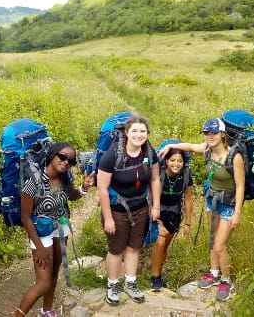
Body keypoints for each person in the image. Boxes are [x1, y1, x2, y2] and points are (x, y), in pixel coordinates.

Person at [159, 118, 245, 301]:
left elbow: (240, 186)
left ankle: (226, 280)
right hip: (212, 201)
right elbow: (189, 146)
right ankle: (214, 274)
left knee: (220, 245)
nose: (210, 136)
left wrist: (237, 212)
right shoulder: (207, 149)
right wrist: (170, 147)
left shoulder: (234, 156)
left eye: (213, 133)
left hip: (229, 205)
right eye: (206, 133)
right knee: (213, 240)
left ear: (222, 134)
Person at [16, 142, 94, 317]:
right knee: (43, 283)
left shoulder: (65, 178)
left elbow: (70, 196)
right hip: (41, 233)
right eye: (63, 157)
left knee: (55, 269)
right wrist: (39, 247)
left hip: (61, 227)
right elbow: (25, 218)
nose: (66, 162)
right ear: (52, 154)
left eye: (71, 161)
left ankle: (47, 310)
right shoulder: (33, 182)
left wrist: (83, 188)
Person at [97, 116, 161, 306]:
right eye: (134, 131)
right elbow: (102, 189)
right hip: (117, 210)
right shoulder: (112, 156)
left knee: (134, 247)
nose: (139, 135)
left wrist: (155, 206)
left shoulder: (149, 152)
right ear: (126, 133)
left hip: (141, 207)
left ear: (147, 134)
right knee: (116, 250)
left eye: (143, 131)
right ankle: (113, 285)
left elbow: (155, 179)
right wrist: (108, 218)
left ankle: (130, 283)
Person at [150, 148, 193, 291]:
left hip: (174, 214)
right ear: (166, 161)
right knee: (160, 242)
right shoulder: (159, 175)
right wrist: (158, 223)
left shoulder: (186, 175)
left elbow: (188, 199)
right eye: (173, 160)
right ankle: (154, 278)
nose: (176, 164)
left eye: (180, 161)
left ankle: (159, 275)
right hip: (157, 212)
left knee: (165, 246)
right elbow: (149, 200)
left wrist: (188, 223)